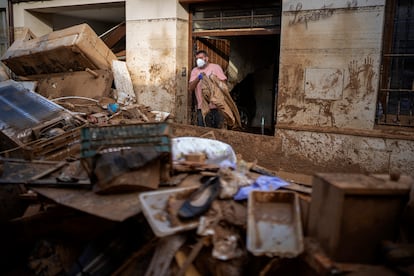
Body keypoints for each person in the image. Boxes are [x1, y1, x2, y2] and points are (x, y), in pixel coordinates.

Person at [188, 50, 227, 128]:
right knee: (203, 132)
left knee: (218, 132)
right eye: (197, 58)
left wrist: (213, 80)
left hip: (217, 107)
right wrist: (198, 78)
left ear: (206, 58)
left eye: (201, 58)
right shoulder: (195, 71)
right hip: (202, 108)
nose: (198, 60)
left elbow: (224, 85)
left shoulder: (215, 67)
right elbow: (190, 88)